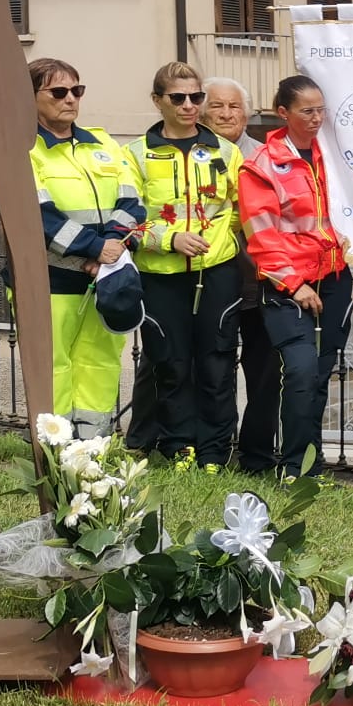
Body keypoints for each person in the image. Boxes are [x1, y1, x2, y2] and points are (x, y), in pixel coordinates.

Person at [125, 62, 243, 469]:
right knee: (170, 363)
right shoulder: (134, 155)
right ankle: (178, 448)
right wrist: (169, 240)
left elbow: (243, 210)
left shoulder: (226, 151)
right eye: (179, 98)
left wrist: (222, 242)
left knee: (217, 362)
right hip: (160, 275)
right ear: (158, 101)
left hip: (217, 270)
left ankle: (215, 450)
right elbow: (124, 221)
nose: (190, 105)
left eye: (196, 97)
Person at [238, 75, 349, 478]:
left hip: (335, 278)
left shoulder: (333, 153)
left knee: (320, 375)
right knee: (299, 372)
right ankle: (289, 467)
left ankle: (310, 466)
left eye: (322, 109)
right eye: (307, 111)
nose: (318, 118)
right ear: (282, 113)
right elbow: (261, 234)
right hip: (289, 287)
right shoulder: (262, 166)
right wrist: (294, 283)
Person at [27, 57, 144, 438]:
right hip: (51, 277)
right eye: (58, 91)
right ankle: (54, 448)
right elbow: (38, 216)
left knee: (100, 361)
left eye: (77, 91)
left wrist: (109, 247)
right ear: (30, 97)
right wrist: (95, 249)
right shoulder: (24, 149)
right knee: (52, 364)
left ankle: (93, 443)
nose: (70, 99)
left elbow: (133, 201)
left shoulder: (104, 142)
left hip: (104, 277)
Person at [201, 76, 277, 471]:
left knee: (264, 375)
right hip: (209, 280)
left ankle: (256, 455)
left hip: (259, 284)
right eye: (217, 106)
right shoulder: (193, 156)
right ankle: (211, 450)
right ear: (201, 111)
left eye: (234, 107)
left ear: (247, 113)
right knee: (212, 368)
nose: (227, 114)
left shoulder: (264, 158)